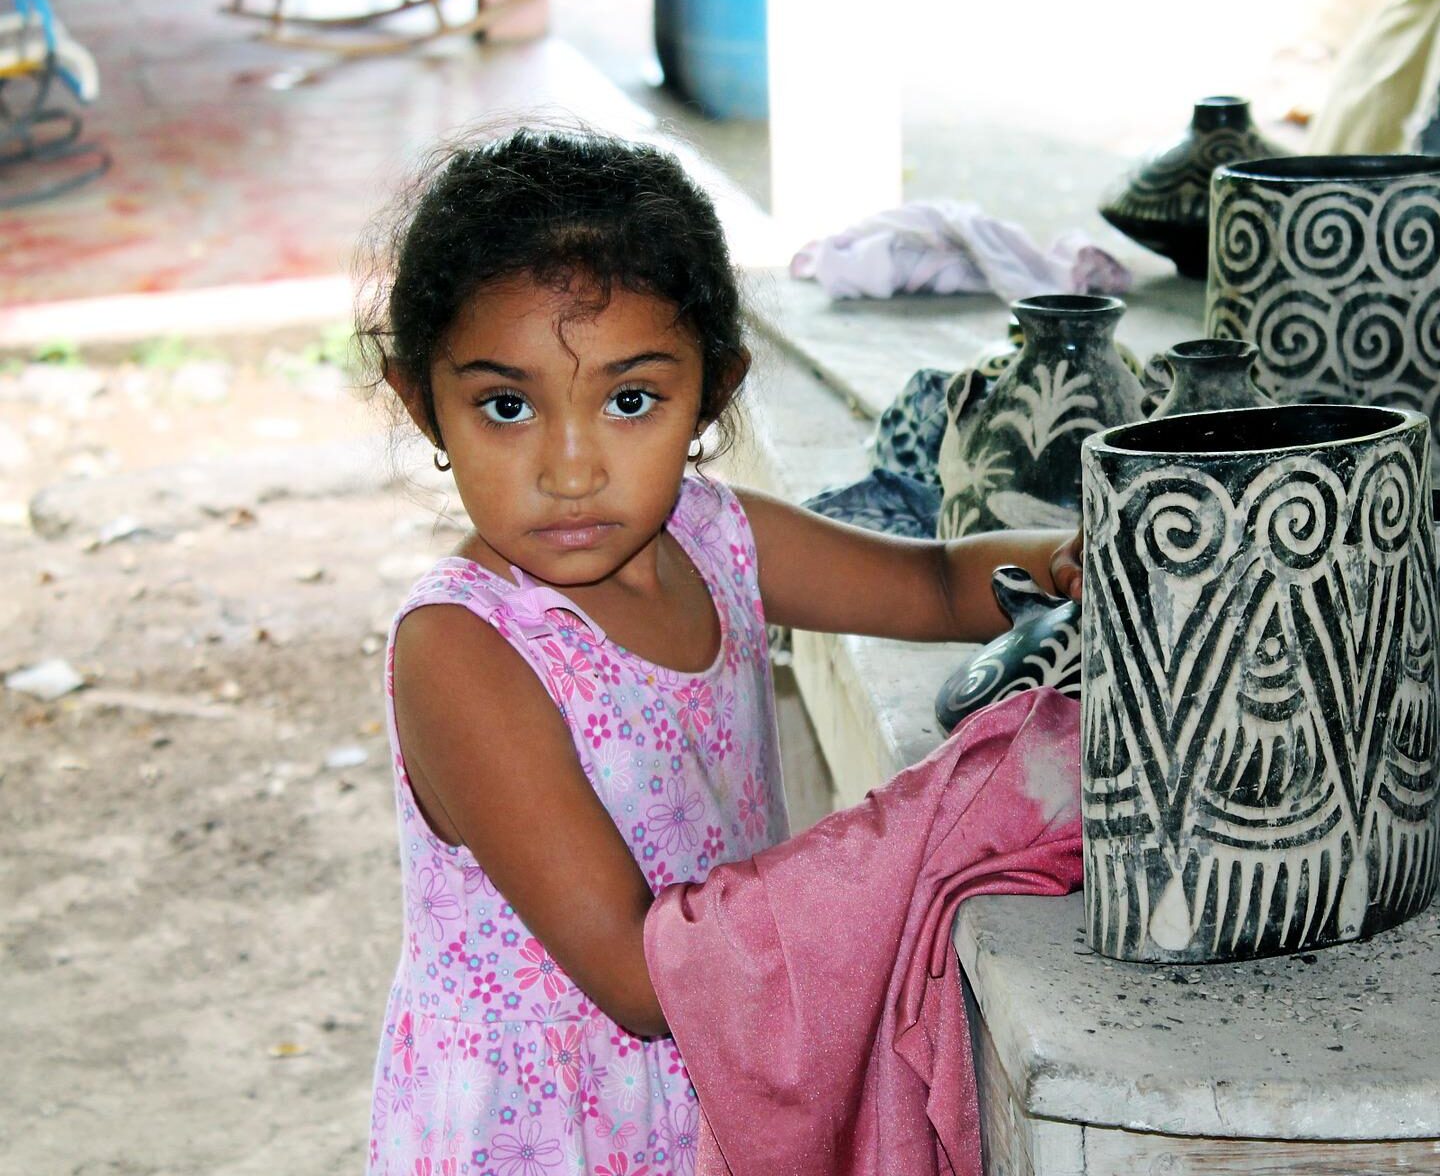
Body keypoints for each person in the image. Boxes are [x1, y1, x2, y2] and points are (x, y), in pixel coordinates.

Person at [356, 127, 1085, 1175]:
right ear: (424, 400)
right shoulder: (466, 651)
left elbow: (933, 581)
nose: (572, 469)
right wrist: (913, 832)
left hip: (711, 1087)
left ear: (714, 390)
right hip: (550, 1131)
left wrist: (1074, 561)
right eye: (506, 407)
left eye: (630, 401)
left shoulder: (717, 536)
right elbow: (638, 979)